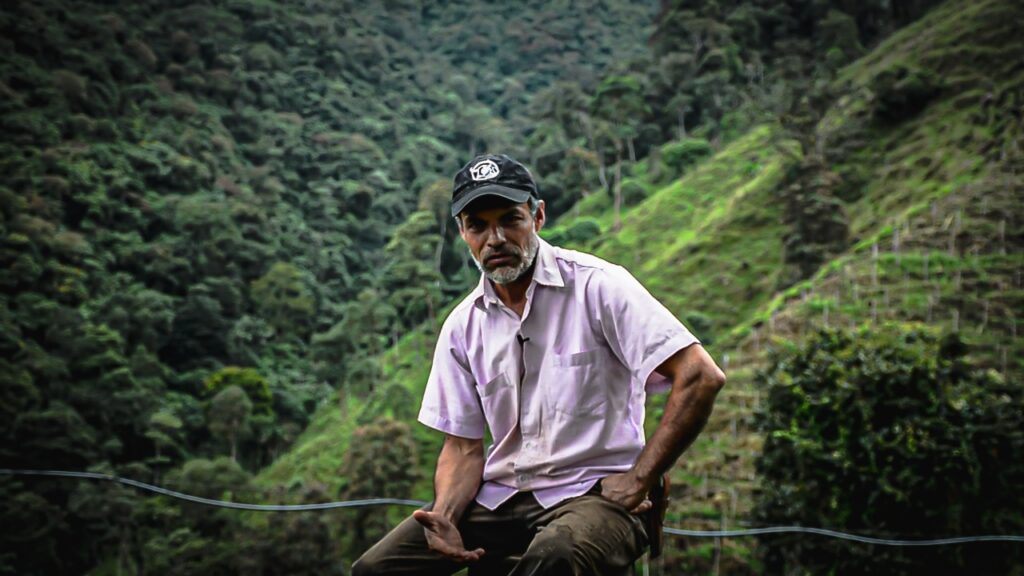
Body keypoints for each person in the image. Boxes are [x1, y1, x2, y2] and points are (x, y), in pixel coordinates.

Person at [353, 154, 726, 575]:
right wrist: (446, 516)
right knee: (376, 569)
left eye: (510, 219)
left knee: (556, 556)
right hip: (503, 497)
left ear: (538, 216)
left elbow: (699, 376)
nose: (495, 239)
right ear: (462, 233)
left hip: (596, 494)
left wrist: (640, 478)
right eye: (478, 225)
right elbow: (462, 446)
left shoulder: (597, 286)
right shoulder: (463, 325)